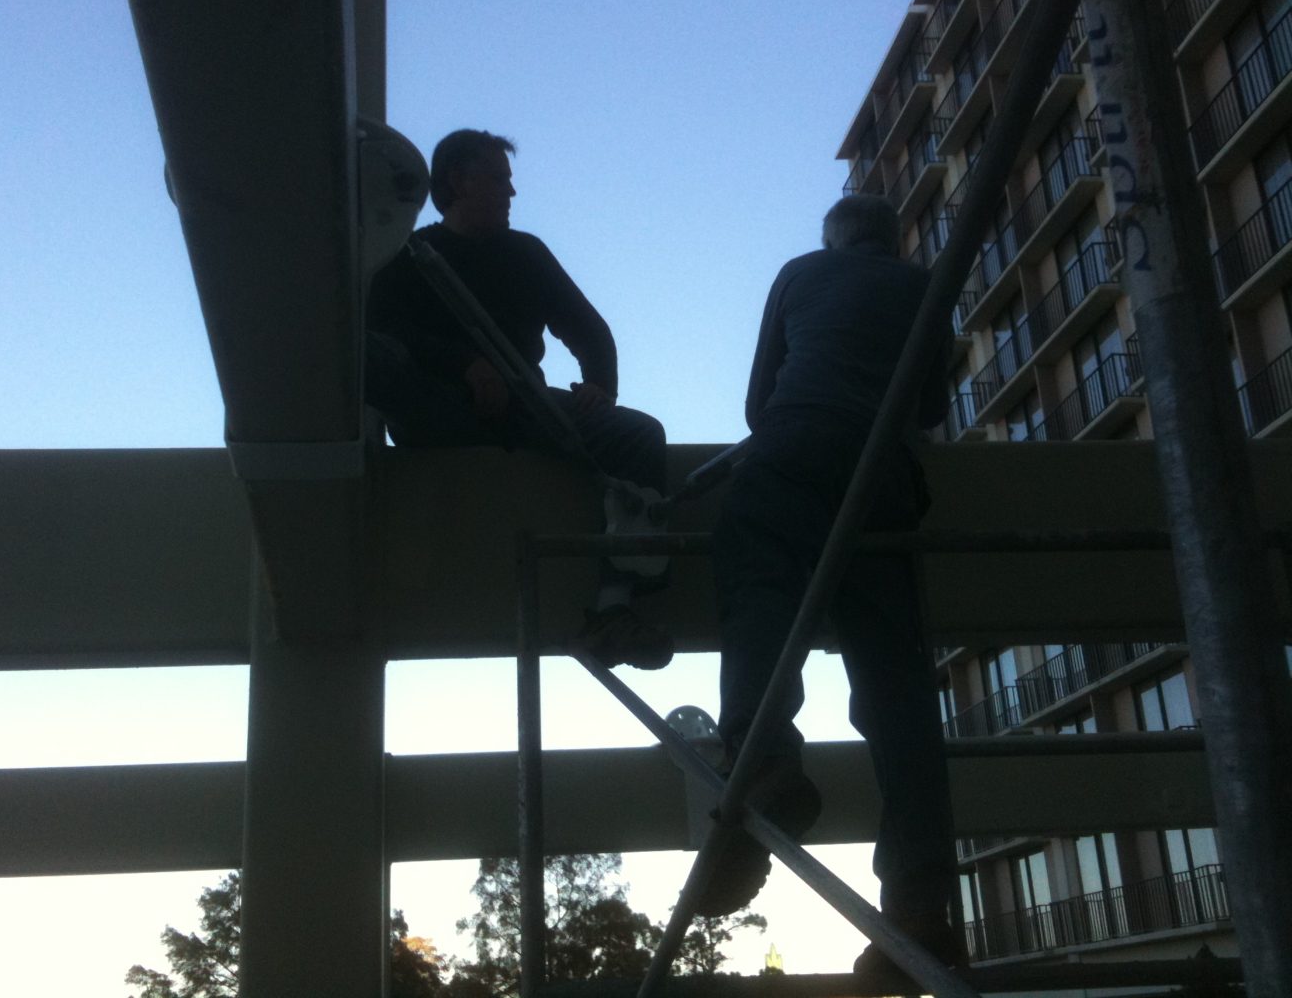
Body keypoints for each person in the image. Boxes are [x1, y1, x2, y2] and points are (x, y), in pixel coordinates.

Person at [698, 194, 960, 973]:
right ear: (894, 240)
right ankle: (920, 906)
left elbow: (757, 404)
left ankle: (765, 758)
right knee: (894, 685)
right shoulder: (925, 286)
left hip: (791, 450)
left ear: (831, 241)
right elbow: (933, 408)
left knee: (758, 593)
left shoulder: (800, 273)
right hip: (882, 476)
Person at [366, 128, 671, 669]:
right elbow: (379, 330)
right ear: (458, 180)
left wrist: (600, 386)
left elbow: (588, 329)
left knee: (638, 434)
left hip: (522, 406)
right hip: (438, 409)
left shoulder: (526, 253)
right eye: (500, 180)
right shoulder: (411, 256)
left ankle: (613, 608)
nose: (512, 193)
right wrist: (462, 364)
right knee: (373, 358)